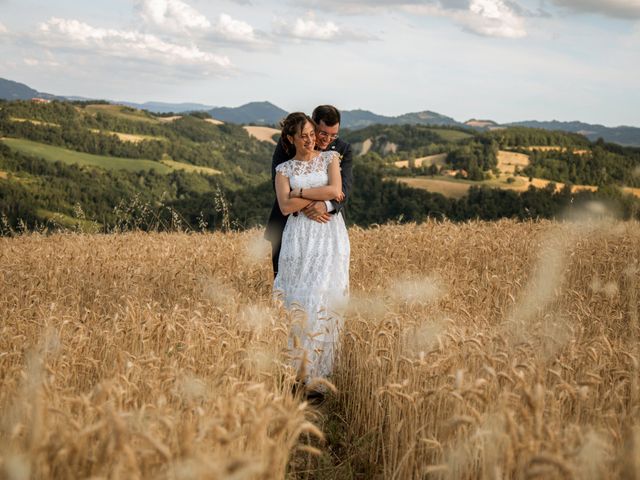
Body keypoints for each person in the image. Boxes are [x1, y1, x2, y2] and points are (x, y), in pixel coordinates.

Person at [270, 112, 350, 398]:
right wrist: (312, 198)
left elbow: (336, 190)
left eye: (311, 134)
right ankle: (296, 373)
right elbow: (284, 206)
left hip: (328, 236)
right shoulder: (283, 169)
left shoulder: (331, 159)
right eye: (302, 136)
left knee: (322, 296)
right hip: (298, 239)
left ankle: (317, 376)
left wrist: (300, 192)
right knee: (298, 300)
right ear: (290, 139)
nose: (309, 139)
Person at [265, 105, 353, 278]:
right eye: (322, 133)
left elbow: (344, 189)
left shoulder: (342, 150)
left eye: (333, 135)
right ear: (313, 124)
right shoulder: (287, 143)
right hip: (288, 223)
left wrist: (326, 205)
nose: (328, 139)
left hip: (327, 225)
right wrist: (309, 205)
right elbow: (279, 182)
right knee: (286, 280)